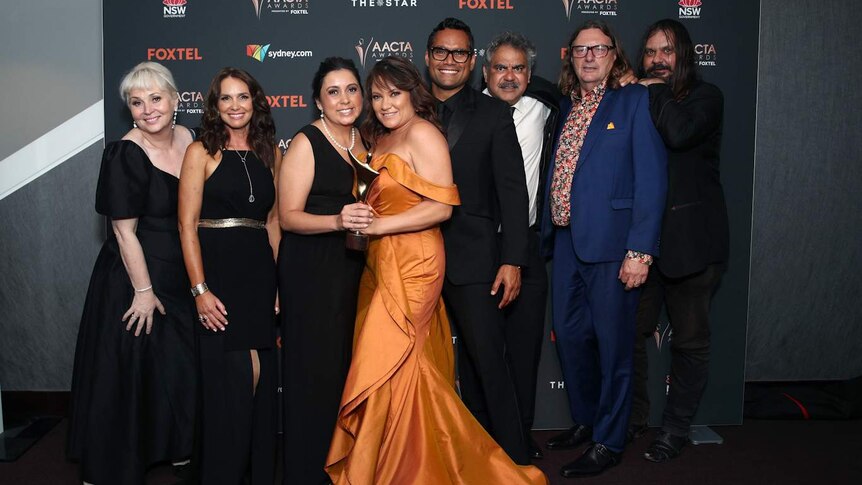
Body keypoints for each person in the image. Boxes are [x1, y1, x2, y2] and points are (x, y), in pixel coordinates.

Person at [325, 56, 546, 485]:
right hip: (381, 263)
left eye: (394, 93)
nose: (385, 103)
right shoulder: (380, 137)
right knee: (403, 366)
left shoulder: (424, 133)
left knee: (392, 358)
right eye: (376, 95)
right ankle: (402, 462)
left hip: (416, 263)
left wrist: (380, 226)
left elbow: (443, 206)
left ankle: (461, 459)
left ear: (412, 92)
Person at [540, 20, 667, 477]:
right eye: (580, 50)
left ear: (615, 56)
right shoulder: (566, 105)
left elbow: (652, 179)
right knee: (571, 338)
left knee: (614, 348)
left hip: (615, 245)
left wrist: (641, 250)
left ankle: (609, 441)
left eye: (599, 48)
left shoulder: (634, 100)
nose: (589, 56)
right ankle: (588, 420)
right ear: (570, 58)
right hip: (568, 241)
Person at [67, 61, 196, 485]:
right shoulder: (125, 152)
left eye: (156, 99)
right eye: (136, 103)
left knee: (175, 365)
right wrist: (143, 291)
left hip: (180, 273)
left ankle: (175, 447)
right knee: (131, 371)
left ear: (176, 100)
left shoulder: (188, 137)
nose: (148, 110)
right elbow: (123, 232)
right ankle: (113, 465)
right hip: (135, 273)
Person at [426, 17, 533, 465]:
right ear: (428, 56)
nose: (449, 61)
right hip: (415, 258)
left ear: (472, 62)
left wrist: (513, 260)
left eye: (459, 53)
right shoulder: (404, 109)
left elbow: (513, 192)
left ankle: (515, 460)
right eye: (440, 52)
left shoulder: (493, 114)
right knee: (425, 368)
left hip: (474, 259)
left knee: (489, 364)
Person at [625, 18, 729, 463]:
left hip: (693, 243)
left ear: (683, 55)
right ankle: (633, 421)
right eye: (650, 52)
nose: (657, 60)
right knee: (628, 335)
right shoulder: (638, 98)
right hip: (643, 244)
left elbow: (680, 133)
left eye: (667, 51)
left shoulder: (706, 97)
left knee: (689, 342)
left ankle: (675, 430)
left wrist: (654, 89)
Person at [178, 67, 281, 484]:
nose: (235, 106)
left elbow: (273, 223)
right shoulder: (201, 151)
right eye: (226, 98)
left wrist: (279, 285)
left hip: (258, 274)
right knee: (234, 383)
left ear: (255, 102)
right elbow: (186, 226)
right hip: (217, 273)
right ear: (214, 106)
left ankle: (255, 473)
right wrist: (200, 290)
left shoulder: (270, 152)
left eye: (243, 97)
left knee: (259, 382)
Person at [277, 57, 368, 485]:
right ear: (318, 100)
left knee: (343, 373)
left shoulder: (365, 140)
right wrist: (336, 221)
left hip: (351, 272)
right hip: (312, 273)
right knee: (314, 374)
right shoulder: (307, 141)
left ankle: (340, 468)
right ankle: (307, 472)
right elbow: (288, 216)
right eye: (333, 91)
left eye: (351, 88)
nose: (344, 98)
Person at [481, 31, 562, 460]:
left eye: (518, 68)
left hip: (527, 246)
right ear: (485, 72)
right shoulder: (466, 113)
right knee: (481, 351)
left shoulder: (547, 108)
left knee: (526, 349)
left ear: (530, 75)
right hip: (477, 249)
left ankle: (519, 437)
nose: (509, 76)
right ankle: (480, 439)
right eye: (501, 67)